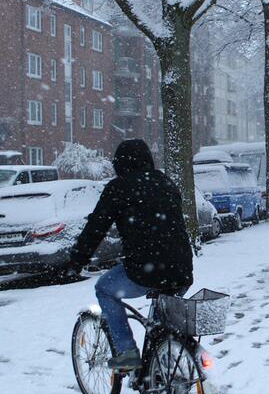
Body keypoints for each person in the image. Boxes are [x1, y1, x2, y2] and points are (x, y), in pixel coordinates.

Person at [67, 139, 194, 370]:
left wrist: (76, 261)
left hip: (145, 271)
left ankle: (127, 352)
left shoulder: (119, 188)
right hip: (181, 270)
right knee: (161, 325)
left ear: (119, 163)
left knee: (104, 289)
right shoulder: (165, 182)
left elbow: (95, 229)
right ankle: (163, 365)